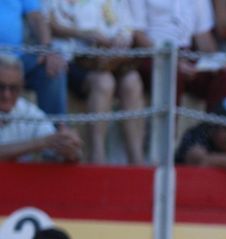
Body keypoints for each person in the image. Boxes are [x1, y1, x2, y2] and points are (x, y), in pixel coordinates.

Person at [49, 0, 147, 164]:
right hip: (73, 58)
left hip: (111, 58)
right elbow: (50, 23)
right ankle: (97, 156)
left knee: (132, 81)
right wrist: (86, 34)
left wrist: (120, 40)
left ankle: (136, 158)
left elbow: (127, 27)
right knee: (104, 82)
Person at [136, 0, 226, 110]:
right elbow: (138, 34)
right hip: (151, 54)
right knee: (173, 75)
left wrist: (215, 62)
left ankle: (215, 126)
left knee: (225, 78)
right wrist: (172, 60)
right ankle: (171, 127)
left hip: (186, 56)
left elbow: (203, 35)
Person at [0, 52, 80, 161]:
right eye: (1, 87)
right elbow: (46, 141)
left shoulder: (27, 111)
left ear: (22, 85)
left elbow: (59, 149)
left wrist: (69, 148)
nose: (6, 94)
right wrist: (41, 143)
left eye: (13, 88)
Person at [2, 0, 67, 117]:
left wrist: (47, 48)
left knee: (53, 69)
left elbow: (36, 17)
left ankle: (56, 131)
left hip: (17, 58)